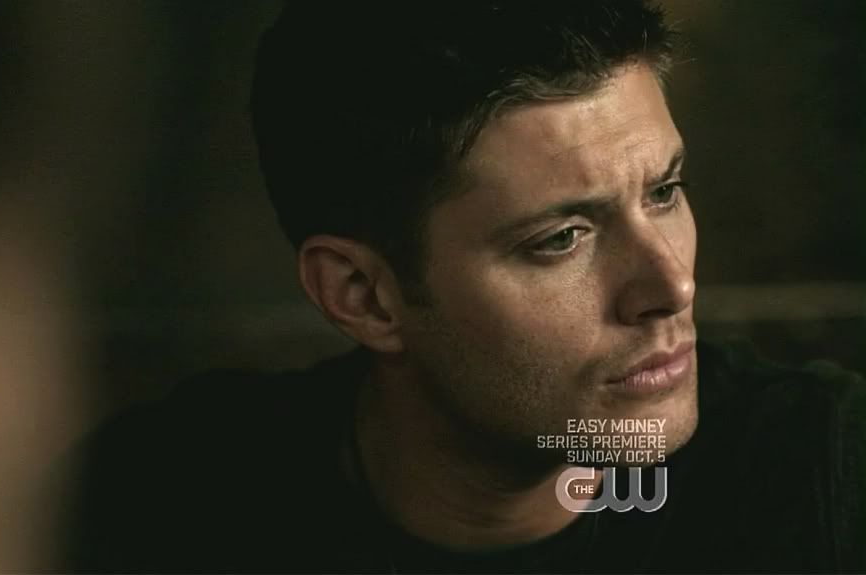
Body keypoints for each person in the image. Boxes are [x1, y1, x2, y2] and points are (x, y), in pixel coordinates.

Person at [60, 1, 865, 572]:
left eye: (664, 191)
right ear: (362, 295)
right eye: (561, 238)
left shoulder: (824, 474)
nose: (672, 285)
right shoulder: (149, 509)